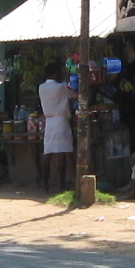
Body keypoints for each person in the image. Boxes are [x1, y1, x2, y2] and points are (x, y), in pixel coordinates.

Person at [38, 64, 75, 197]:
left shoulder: (41, 87)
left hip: (49, 122)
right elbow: (74, 93)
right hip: (61, 121)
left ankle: (45, 185)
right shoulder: (62, 87)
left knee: (47, 153)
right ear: (55, 74)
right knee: (61, 153)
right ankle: (61, 185)